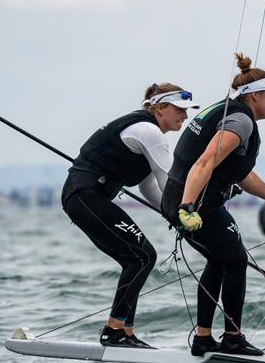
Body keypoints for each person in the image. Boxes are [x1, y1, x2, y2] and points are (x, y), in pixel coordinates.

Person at [161, 53, 265, 357]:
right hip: (195, 205)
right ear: (255, 96)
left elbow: (238, 172)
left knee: (220, 261)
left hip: (183, 199)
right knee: (235, 262)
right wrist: (188, 209)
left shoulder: (228, 111)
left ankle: (204, 338)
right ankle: (233, 339)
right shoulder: (240, 121)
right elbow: (205, 163)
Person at [62, 83, 199, 348]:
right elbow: (169, 183)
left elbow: (148, 186)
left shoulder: (148, 132)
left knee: (136, 258)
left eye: (187, 110)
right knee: (143, 256)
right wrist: (184, 213)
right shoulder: (149, 132)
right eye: (180, 109)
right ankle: (114, 332)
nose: (185, 116)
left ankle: (125, 331)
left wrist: (173, 217)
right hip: (84, 195)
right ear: (160, 108)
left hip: (85, 197)